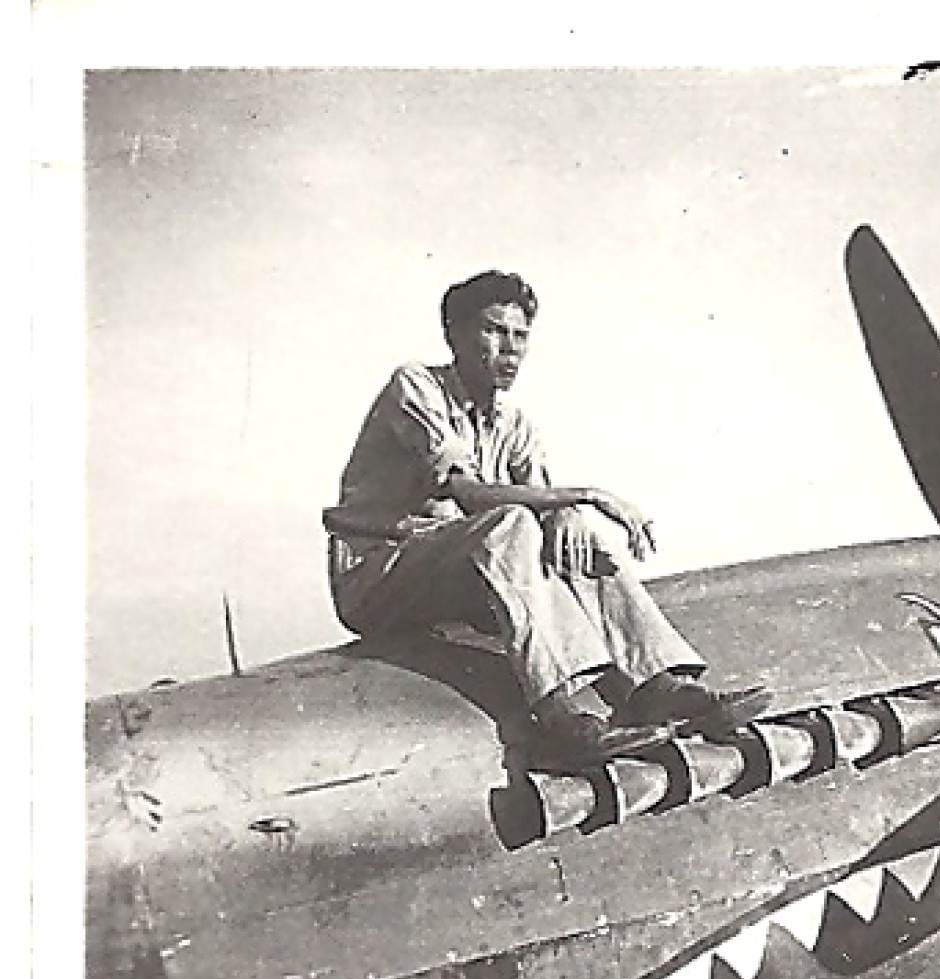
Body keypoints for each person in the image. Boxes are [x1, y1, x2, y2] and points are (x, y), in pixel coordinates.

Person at [323, 270, 771, 769]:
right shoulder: (417, 386)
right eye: (493, 331)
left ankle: (655, 685)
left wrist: (569, 514)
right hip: (381, 575)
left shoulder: (513, 426)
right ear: (455, 334)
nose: (509, 349)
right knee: (514, 522)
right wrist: (583, 495)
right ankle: (556, 715)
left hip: (454, 575)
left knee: (573, 533)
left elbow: (546, 507)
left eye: (519, 336)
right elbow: (467, 492)